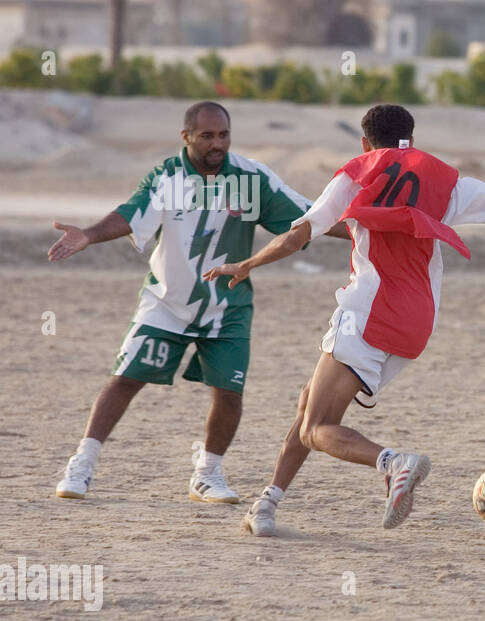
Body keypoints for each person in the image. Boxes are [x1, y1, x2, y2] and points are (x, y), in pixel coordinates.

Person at [204, 105, 485, 536]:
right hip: (415, 323)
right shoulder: (443, 177)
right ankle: (268, 504)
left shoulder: (356, 172)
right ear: (411, 140)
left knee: (316, 428)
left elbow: (297, 235)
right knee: (311, 400)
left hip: (367, 312)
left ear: (365, 142)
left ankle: (393, 462)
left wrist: (247, 264)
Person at [49, 101, 315, 504]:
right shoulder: (167, 177)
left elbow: (309, 217)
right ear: (186, 136)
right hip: (166, 303)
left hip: (228, 307)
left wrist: (369, 234)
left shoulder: (251, 178)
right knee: (124, 380)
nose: (217, 144)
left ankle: (207, 474)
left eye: (223, 135)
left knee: (229, 392)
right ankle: (81, 463)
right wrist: (87, 235)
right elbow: (130, 214)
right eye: (207, 135)